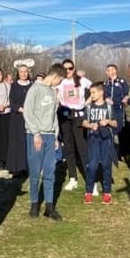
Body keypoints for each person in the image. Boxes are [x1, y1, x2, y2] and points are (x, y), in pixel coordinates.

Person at [23, 65, 64, 220]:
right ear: (54, 76)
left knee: (50, 172)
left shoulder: (53, 93)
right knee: (35, 173)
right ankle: (34, 203)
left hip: (49, 136)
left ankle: (49, 206)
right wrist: (36, 133)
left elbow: (54, 116)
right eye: (59, 80)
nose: (59, 83)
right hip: (35, 136)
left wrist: (55, 136)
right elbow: (28, 112)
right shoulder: (35, 89)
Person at [56, 59, 91, 192]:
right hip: (65, 117)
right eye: (65, 69)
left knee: (82, 147)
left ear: (74, 68)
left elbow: (95, 89)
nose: (68, 71)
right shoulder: (60, 82)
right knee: (68, 148)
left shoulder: (82, 80)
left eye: (70, 68)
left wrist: (86, 103)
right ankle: (72, 178)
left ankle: (90, 179)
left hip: (79, 117)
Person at [80, 82, 117, 204]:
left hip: (106, 138)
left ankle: (107, 193)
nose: (91, 95)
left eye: (93, 92)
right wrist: (91, 125)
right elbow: (83, 122)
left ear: (101, 92)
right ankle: (88, 192)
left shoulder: (109, 107)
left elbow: (116, 123)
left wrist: (107, 122)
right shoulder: (90, 107)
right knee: (92, 165)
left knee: (106, 164)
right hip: (93, 138)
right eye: (90, 93)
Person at [5, 61, 34, 179]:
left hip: (29, 118)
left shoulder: (32, 85)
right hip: (17, 118)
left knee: (27, 143)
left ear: (28, 73)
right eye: (21, 72)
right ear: (18, 73)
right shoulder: (14, 86)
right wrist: (19, 108)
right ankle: (16, 168)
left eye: (25, 71)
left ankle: (27, 167)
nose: (23, 74)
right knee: (16, 142)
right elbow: (11, 102)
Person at [103, 63, 129, 161]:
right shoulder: (106, 83)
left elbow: (127, 94)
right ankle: (111, 153)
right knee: (110, 131)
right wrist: (106, 99)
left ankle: (122, 153)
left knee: (120, 130)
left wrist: (124, 99)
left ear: (115, 71)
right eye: (107, 70)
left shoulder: (122, 82)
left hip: (119, 109)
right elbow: (103, 94)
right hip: (109, 110)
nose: (109, 72)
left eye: (111, 70)